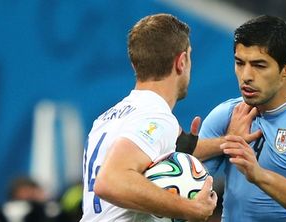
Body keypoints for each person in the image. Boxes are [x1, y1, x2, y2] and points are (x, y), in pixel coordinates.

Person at [197, 15, 286, 221]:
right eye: (240, 63)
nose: (246, 75)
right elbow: (190, 184)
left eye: (259, 65)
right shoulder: (230, 114)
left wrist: (259, 175)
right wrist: (224, 142)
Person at [80, 13, 217, 222]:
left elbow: (136, 156)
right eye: (189, 56)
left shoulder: (108, 118)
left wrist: (226, 144)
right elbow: (109, 181)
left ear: (136, 65)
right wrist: (189, 208)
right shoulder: (157, 117)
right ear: (181, 61)